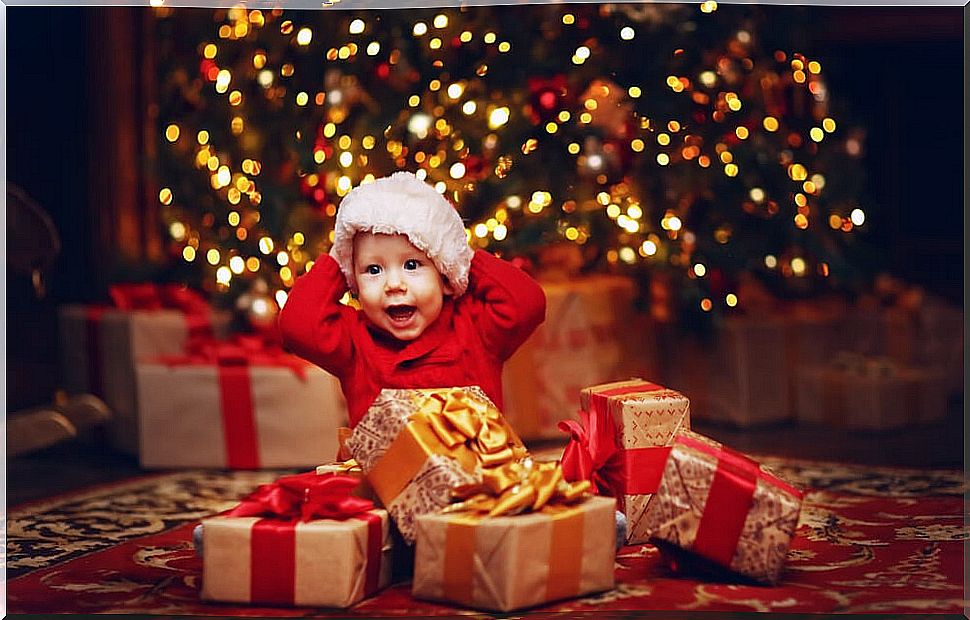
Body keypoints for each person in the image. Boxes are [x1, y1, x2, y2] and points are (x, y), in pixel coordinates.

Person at [278, 171, 546, 427]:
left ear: (444, 276)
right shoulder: (354, 341)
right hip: (388, 474)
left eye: (412, 265)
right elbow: (297, 325)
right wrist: (338, 261)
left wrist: (462, 257)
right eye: (373, 270)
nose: (394, 284)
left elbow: (527, 303)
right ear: (355, 285)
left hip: (474, 469)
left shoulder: (475, 327)